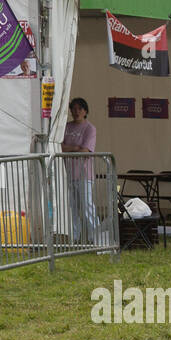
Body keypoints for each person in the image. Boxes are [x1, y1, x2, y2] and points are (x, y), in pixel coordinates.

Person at [60, 97, 100, 244]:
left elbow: (85, 150)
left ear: (85, 111)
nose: (76, 112)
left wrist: (71, 149)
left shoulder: (90, 128)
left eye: (80, 109)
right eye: (74, 109)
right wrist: (75, 148)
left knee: (87, 205)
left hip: (84, 174)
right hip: (68, 173)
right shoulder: (66, 127)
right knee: (72, 208)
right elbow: (59, 147)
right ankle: (74, 237)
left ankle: (95, 237)